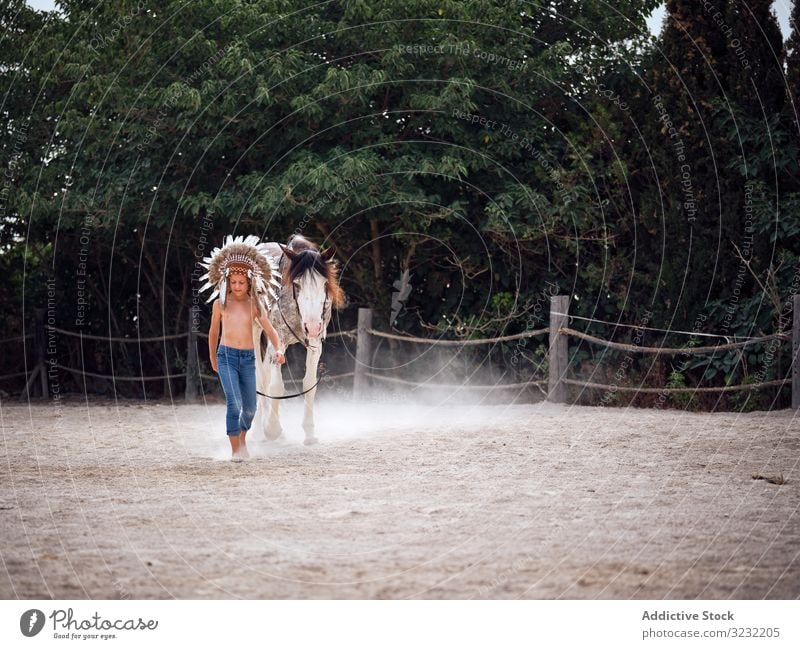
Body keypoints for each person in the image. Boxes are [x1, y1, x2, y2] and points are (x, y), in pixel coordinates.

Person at [199, 235, 285, 461]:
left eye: (241, 282)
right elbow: (213, 333)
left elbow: (271, 330)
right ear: (227, 281)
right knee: (234, 403)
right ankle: (235, 449)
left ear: (250, 282)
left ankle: (243, 441)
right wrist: (213, 359)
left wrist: (279, 350)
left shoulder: (255, 304)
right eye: (233, 282)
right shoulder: (221, 304)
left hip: (247, 359)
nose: (237, 286)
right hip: (226, 357)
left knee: (250, 407)